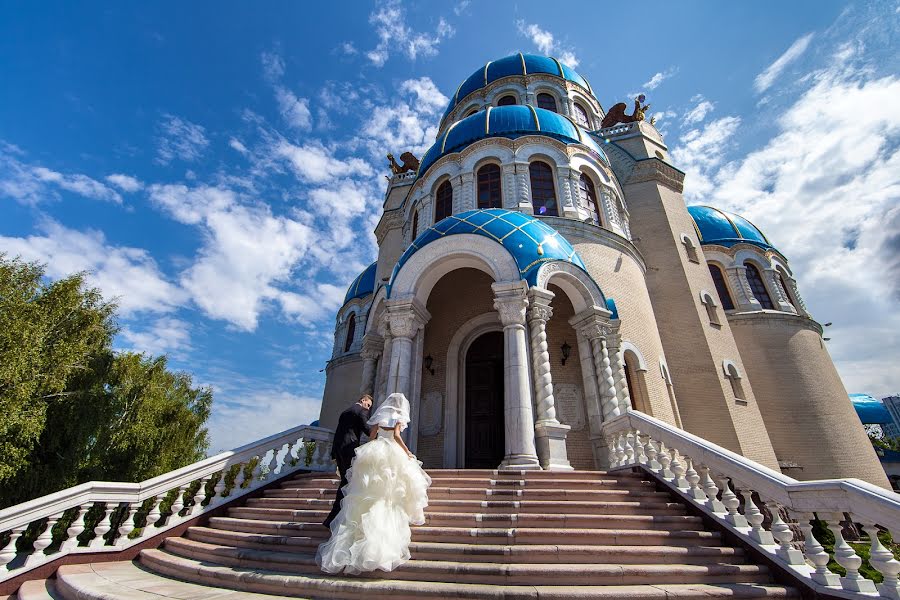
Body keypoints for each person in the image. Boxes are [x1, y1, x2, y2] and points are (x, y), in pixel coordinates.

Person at [316, 393, 432, 574]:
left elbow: (371, 435)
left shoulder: (377, 415)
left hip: (375, 449)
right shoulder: (396, 417)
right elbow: (396, 436)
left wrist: (368, 449)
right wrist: (407, 451)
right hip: (392, 450)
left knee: (367, 486)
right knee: (392, 486)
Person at [323, 394, 373, 528]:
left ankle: (335, 517)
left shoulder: (345, 411)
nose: (368, 408)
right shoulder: (361, 411)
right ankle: (334, 518)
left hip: (338, 449)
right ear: (363, 400)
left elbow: (341, 431)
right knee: (348, 481)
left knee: (346, 480)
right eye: (368, 405)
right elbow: (367, 429)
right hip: (349, 448)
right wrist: (380, 432)